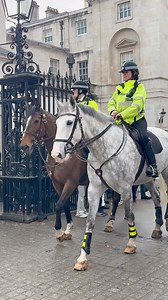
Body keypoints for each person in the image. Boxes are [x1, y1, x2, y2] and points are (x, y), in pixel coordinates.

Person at [107, 61, 158, 178]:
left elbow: (137, 106)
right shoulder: (119, 88)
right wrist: (112, 111)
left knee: (144, 138)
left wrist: (122, 114)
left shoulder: (139, 87)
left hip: (136, 121)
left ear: (134, 73)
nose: (123, 74)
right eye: (123, 72)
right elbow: (111, 102)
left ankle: (153, 166)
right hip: (120, 122)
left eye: (126, 72)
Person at [71, 80, 99, 217]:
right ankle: (80, 208)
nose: (73, 93)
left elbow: (94, 121)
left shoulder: (91, 103)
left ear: (81, 91)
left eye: (74, 90)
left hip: (87, 139)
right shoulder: (74, 104)